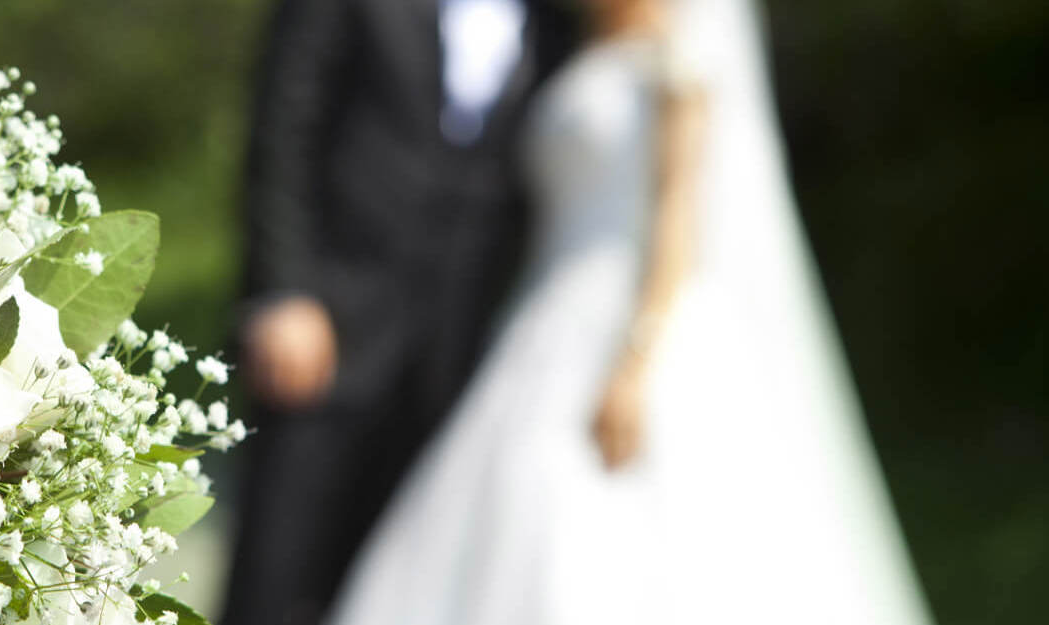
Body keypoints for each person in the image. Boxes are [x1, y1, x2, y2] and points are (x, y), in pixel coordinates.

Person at [324, 0, 934, 622]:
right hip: (542, 320)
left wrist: (636, 358)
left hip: (635, 320)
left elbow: (677, 228)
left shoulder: (680, 64)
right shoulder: (568, 53)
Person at [224, 1, 578, 624]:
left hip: (456, 360)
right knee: (270, 578)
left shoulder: (559, 26)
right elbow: (283, 125)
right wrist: (284, 293)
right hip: (325, 330)